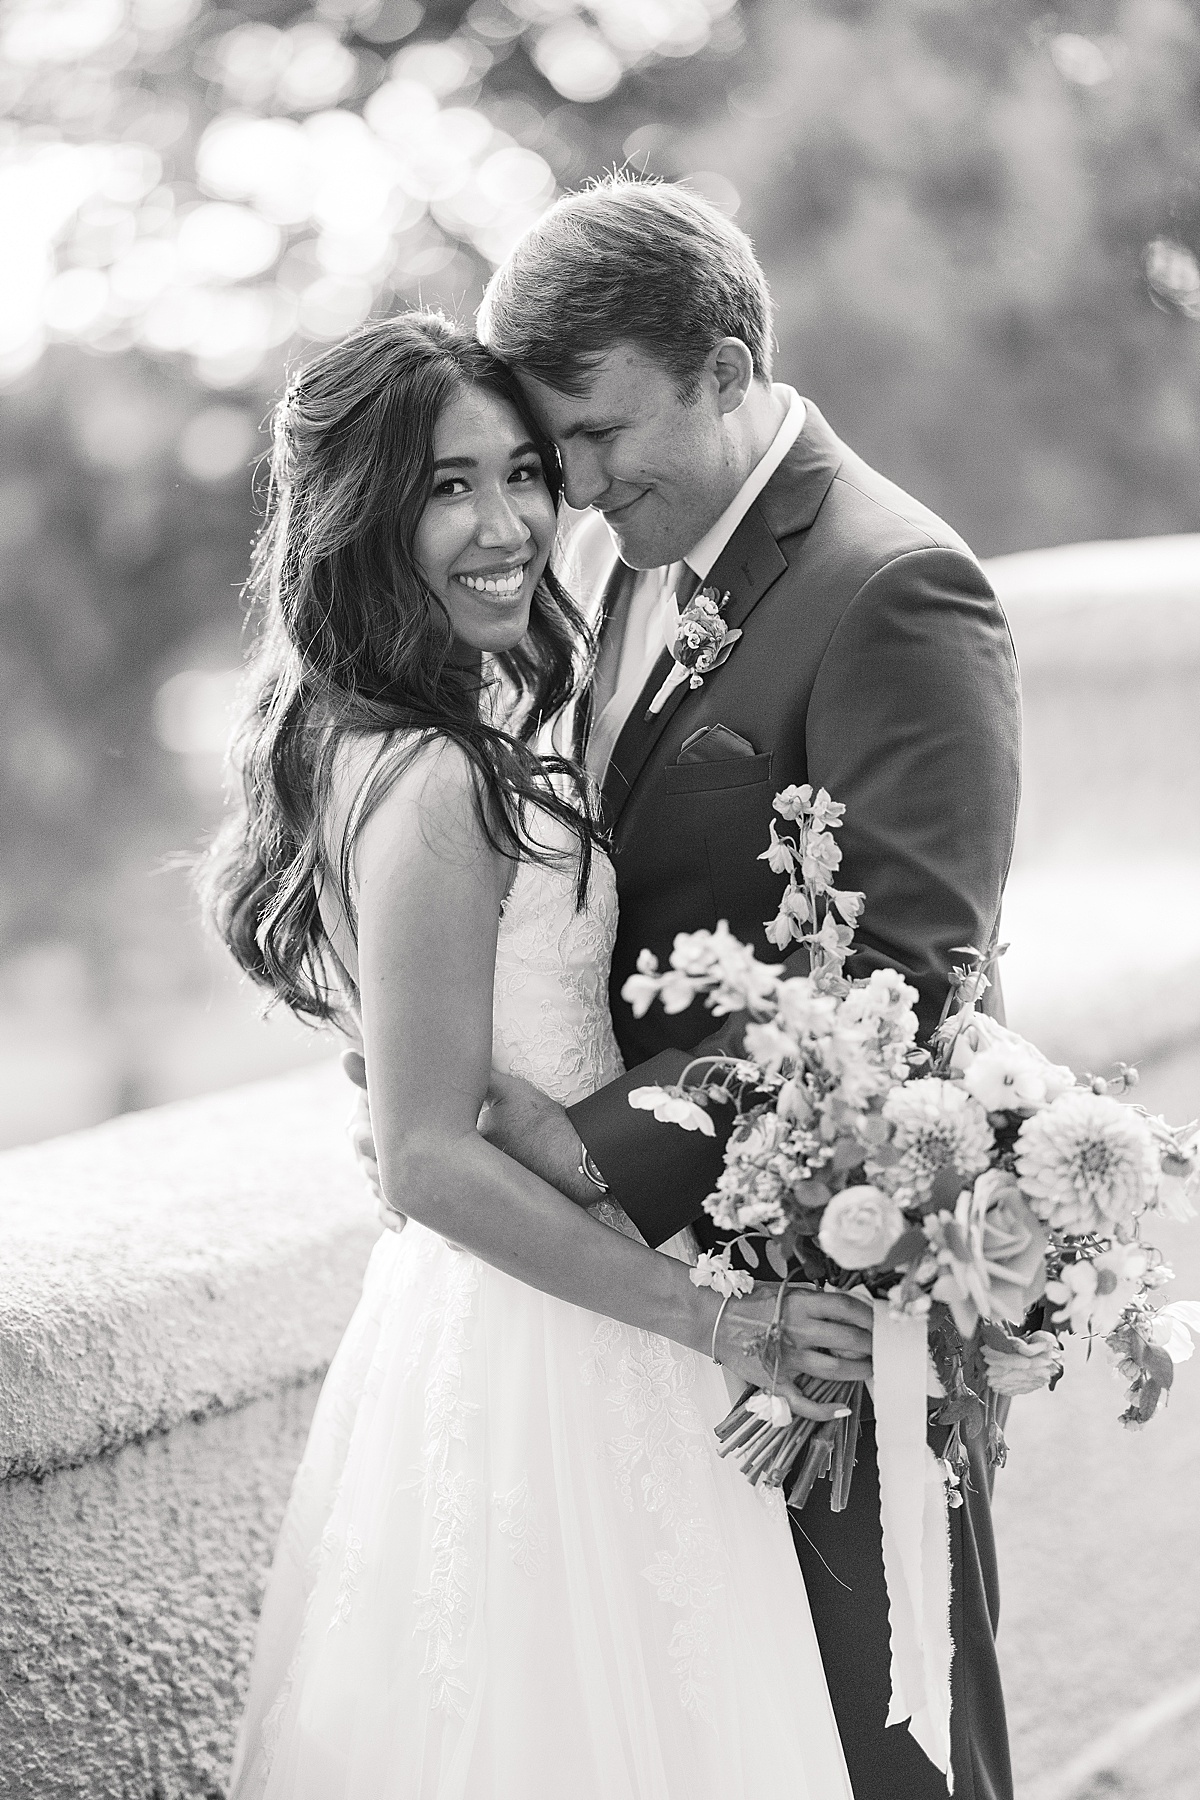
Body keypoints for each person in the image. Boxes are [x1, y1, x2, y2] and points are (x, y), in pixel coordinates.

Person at [205, 310, 862, 1799]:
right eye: (449, 486)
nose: (506, 524)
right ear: (364, 514)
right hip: (563, 1335)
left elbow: (422, 1076)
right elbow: (432, 1159)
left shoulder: (386, 728)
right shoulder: (436, 770)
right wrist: (723, 1323)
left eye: (524, 472)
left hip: (528, 1306)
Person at [456, 174, 1022, 1800]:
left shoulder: (892, 586)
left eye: (598, 432)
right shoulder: (614, 563)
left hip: (823, 1290)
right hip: (644, 1323)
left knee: (879, 1733)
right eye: (546, 443)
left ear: (721, 363)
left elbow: (913, 984)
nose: (567, 483)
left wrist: (580, 1149)